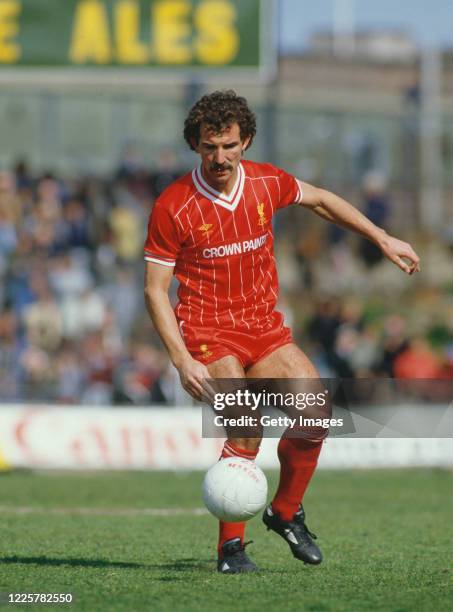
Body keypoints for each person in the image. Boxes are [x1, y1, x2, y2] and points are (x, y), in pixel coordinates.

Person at [143, 90, 420, 574]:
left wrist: (382, 237)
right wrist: (182, 359)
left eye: (229, 145)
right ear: (195, 145)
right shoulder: (174, 206)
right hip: (209, 335)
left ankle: (285, 512)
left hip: (264, 332)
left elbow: (323, 201)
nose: (220, 157)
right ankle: (230, 550)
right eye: (210, 147)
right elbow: (154, 290)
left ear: (245, 141)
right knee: (246, 424)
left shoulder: (266, 182)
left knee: (316, 413)